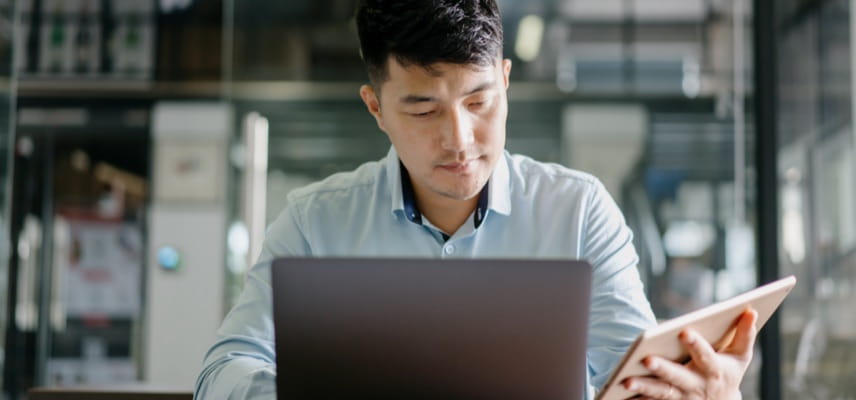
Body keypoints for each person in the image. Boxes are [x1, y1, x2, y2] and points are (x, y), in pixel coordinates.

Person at [194, 1, 758, 399]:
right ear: (376, 108)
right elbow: (221, 373)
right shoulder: (315, 222)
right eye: (423, 110)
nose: (459, 140)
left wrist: (706, 393)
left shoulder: (579, 212)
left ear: (505, 81)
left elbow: (635, 380)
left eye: (479, 102)